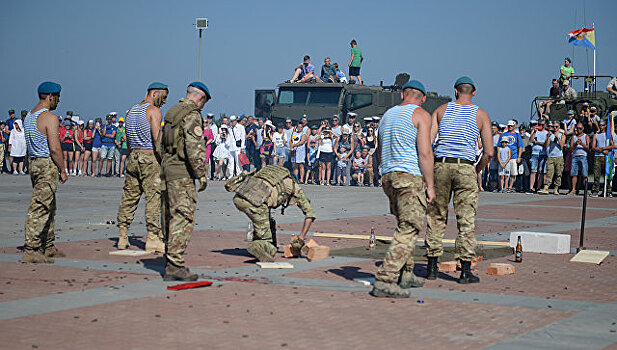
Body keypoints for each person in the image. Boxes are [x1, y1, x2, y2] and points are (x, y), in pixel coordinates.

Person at [370, 80, 434, 298]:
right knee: (409, 227)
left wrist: (384, 172)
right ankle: (385, 279)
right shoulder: (421, 115)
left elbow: (378, 150)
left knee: (404, 224)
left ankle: (407, 273)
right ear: (423, 98)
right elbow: (425, 153)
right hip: (409, 176)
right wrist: (430, 184)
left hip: (389, 175)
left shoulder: (386, 115)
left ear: (402, 95)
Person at [426, 76, 493, 284]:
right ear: (473, 93)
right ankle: (465, 270)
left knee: (436, 216)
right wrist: (476, 170)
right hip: (465, 166)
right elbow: (489, 152)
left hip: (441, 165)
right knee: (466, 220)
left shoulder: (441, 111)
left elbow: (427, 144)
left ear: (455, 91)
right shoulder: (481, 115)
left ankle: (431, 267)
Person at [160, 81, 210, 281]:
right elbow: (194, 146)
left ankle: (169, 258)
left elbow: (160, 142)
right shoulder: (192, 114)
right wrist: (201, 174)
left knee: (168, 217)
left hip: (167, 170)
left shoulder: (172, 111)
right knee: (182, 217)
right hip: (181, 172)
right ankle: (175, 265)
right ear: (200, 98)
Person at [225, 165, 316, 262]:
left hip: (239, 197)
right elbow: (310, 214)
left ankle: (260, 240)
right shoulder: (294, 187)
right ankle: (261, 245)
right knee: (268, 245)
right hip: (256, 203)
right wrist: (301, 238)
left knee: (266, 221)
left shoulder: (271, 172)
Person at [116, 82, 168, 253]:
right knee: (153, 198)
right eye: (164, 96)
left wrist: (132, 155)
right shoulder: (153, 111)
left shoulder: (130, 112)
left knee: (129, 196)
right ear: (154, 93)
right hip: (149, 157)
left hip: (133, 157)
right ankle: (153, 237)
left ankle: (123, 235)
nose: (165, 101)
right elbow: (156, 140)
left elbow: (128, 140)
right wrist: (163, 160)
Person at [22, 81, 68, 263]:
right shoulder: (50, 118)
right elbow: (55, 149)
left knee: (50, 206)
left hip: (34, 163)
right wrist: (63, 170)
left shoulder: (29, 117)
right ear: (50, 97)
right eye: (57, 97)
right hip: (46, 165)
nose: (58, 101)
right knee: (40, 207)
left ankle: (48, 245)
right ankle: (31, 249)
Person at [539, 121, 566, 195]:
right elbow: (547, 145)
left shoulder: (562, 135)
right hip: (551, 156)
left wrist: (557, 137)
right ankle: (546, 188)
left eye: (556, 127)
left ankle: (556, 188)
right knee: (549, 173)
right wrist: (548, 137)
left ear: (559, 127)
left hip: (559, 157)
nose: (555, 128)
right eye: (553, 127)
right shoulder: (550, 135)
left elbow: (562, 146)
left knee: (558, 173)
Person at [499, 120, 523, 192]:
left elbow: (520, 146)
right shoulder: (503, 134)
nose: (510, 127)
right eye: (509, 126)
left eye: (511, 126)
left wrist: (519, 156)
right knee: (503, 174)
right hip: (504, 157)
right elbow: (498, 145)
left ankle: (510, 187)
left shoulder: (517, 135)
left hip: (513, 156)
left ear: (514, 126)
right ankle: (503, 187)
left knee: (513, 173)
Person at [568, 123, 590, 195]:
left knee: (584, 174)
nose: (578, 130)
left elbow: (588, 148)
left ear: (583, 128)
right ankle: (573, 189)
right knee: (574, 174)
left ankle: (585, 190)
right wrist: (576, 144)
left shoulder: (586, 136)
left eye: (580, 128)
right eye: (577, 128)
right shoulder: (574, 137)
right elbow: (570, 148)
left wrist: (581, 144)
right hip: (575, 156)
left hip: (583, 156)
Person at [529, 119, 548, 192]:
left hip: (543, 153)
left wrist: (536, 142)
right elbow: (530, 140)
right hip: (534, 153)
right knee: (533, 171)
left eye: (542, 125)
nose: (541, 126)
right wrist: (534, 132)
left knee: (541, 171)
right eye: (539, 124)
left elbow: (546, 144)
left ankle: (538, 187)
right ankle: (531, 188)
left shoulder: (546, 133)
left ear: (545, 125)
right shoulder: (535, 132)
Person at [590, 120, 608, 197]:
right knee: (596, 174)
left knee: (607, 174)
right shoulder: (596, 135)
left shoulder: (608, 135)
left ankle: (607, 190)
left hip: (606, 157)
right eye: (600, 125)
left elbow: (612, 145)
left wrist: (605, 150)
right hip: (597, 156)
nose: (601, 127)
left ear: (605, 126)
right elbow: (593, 147)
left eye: (602, 125)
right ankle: (595, 190)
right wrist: (600, 150)